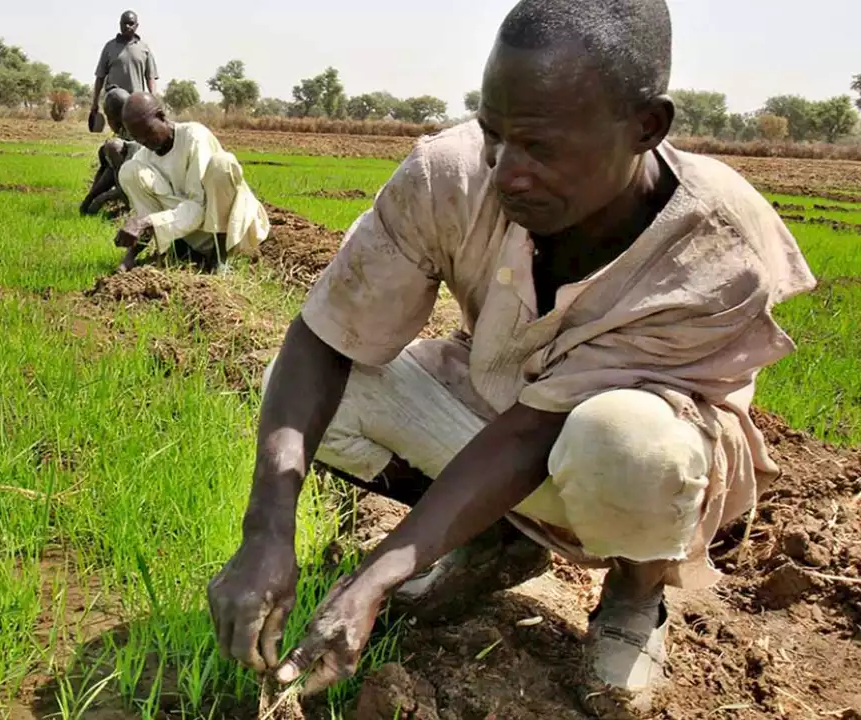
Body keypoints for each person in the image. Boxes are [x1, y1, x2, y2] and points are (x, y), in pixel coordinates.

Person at [205, 0, 816, 714]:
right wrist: (267, 526)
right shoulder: (450, 175)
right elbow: (323, 335)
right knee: (309, 391)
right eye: (494, 135)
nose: (506, 172)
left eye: (541, 147)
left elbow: (538, 432)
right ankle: (497, 536)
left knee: (627, 443)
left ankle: (635, 593)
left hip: (637, 456)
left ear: (646, 127)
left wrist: (372, 579)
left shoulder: (715, 250)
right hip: (500, 401)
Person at [112, 93, 270, 273]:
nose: (145, 142)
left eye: (148, 132)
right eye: (138, 138)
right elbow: (147, 212)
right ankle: (182, 246)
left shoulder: (194, 137)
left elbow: (199, 208)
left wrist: (146, 222)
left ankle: (220, 258)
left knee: (222, 163)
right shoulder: (145, 156)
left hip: (234, 233)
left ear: (161, 116)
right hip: (194, 233)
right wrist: (129, 258)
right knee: (129, 170)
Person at [90, 10, 158, 126]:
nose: (127, 26)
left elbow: (150, 77)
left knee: (134, 136)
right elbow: (100, 76)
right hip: (114, 103)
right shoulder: (110, 47)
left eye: (131, 23)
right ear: (120, 24)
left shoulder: (144, 48)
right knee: (119, 135)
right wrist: (95, 102)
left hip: (136, 104)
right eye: (124, 23)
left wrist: (153, 101)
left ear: (136, 26)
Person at [80, 88, 139, 216]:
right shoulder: (124, 128)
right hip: (133, 181)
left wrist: (103, 198)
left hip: (146, 188)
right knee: (106, 150)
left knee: (112, 147)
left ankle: (129, 208)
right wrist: (91, 197)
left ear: (112, 117)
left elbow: (130, 181)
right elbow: (109, 170)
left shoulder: (136, 129)